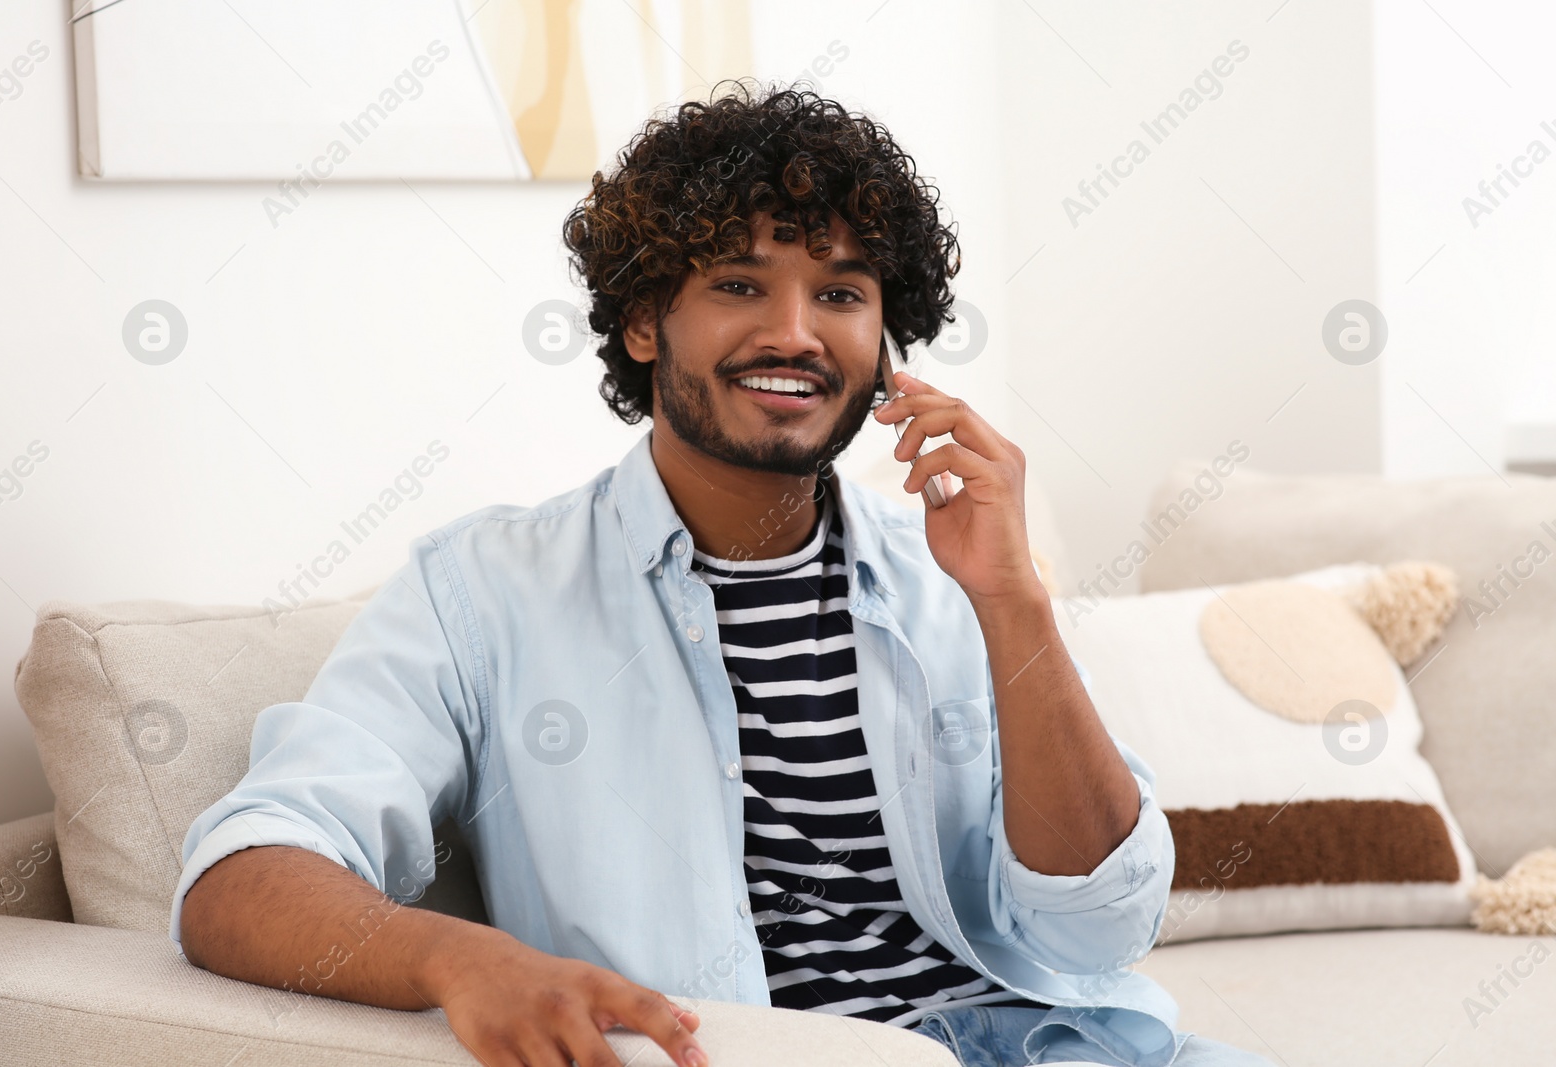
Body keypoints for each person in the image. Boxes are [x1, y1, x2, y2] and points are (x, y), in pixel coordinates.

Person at [172, 80, 1270, 1067]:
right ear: (646, 321)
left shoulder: (948, 575)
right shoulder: (484, 591)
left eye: (840, 294)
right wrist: (459, 960)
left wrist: (1013, 598)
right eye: (740, 284)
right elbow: (241, 879)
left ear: (887, 339)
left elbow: (1098, 928)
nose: (793, 333)